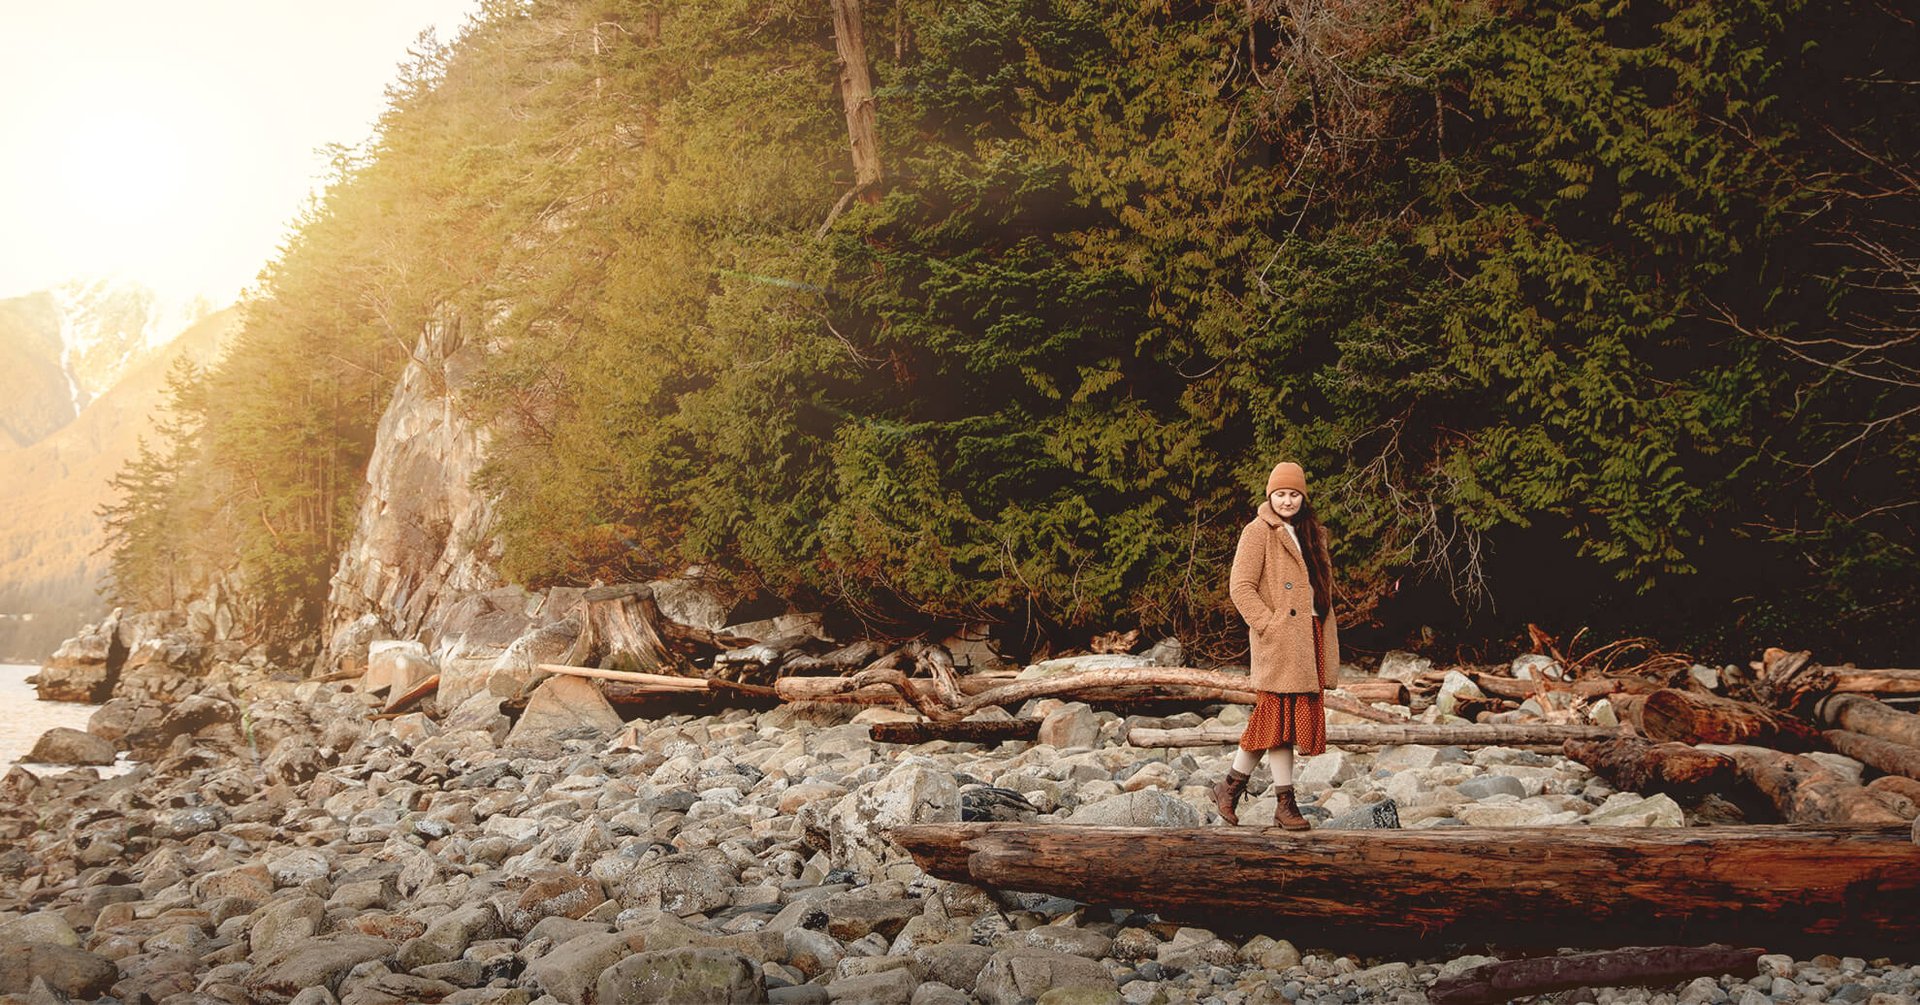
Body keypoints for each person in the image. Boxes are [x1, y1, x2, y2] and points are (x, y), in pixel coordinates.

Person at [1210, 461, 1340, 830]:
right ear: (1270, 495)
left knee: (1284, 723)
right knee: (1273, 717)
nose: (1287, 500)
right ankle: (1265, 797)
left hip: (1309, 635)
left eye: (1294, 494)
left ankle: (1244, 791)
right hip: (1281, 638)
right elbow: (1240, 587)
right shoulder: (1258, 531)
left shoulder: (1313, 532)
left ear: (1303, 497)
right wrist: (1269, 624)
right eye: (1281, 494)